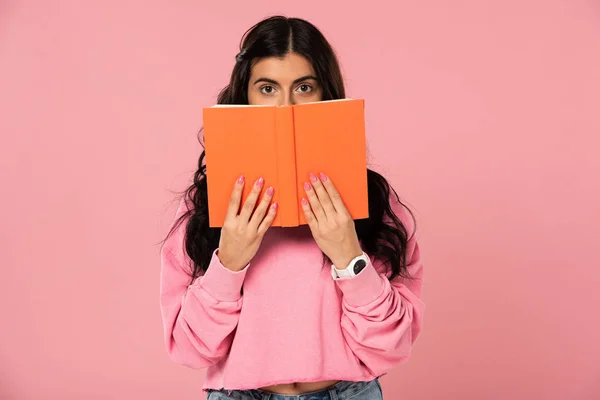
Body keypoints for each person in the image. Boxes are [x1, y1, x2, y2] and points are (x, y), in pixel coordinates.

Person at [160, 15, 425, 400]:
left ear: (327, 95)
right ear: (244, 95)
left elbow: (393, 345)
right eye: (267, 88)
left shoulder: (374, 203)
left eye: (304, 87)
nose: (285, 106)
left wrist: (349, 256)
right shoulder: (206, 209)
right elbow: (188, 349)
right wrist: (229, 261)